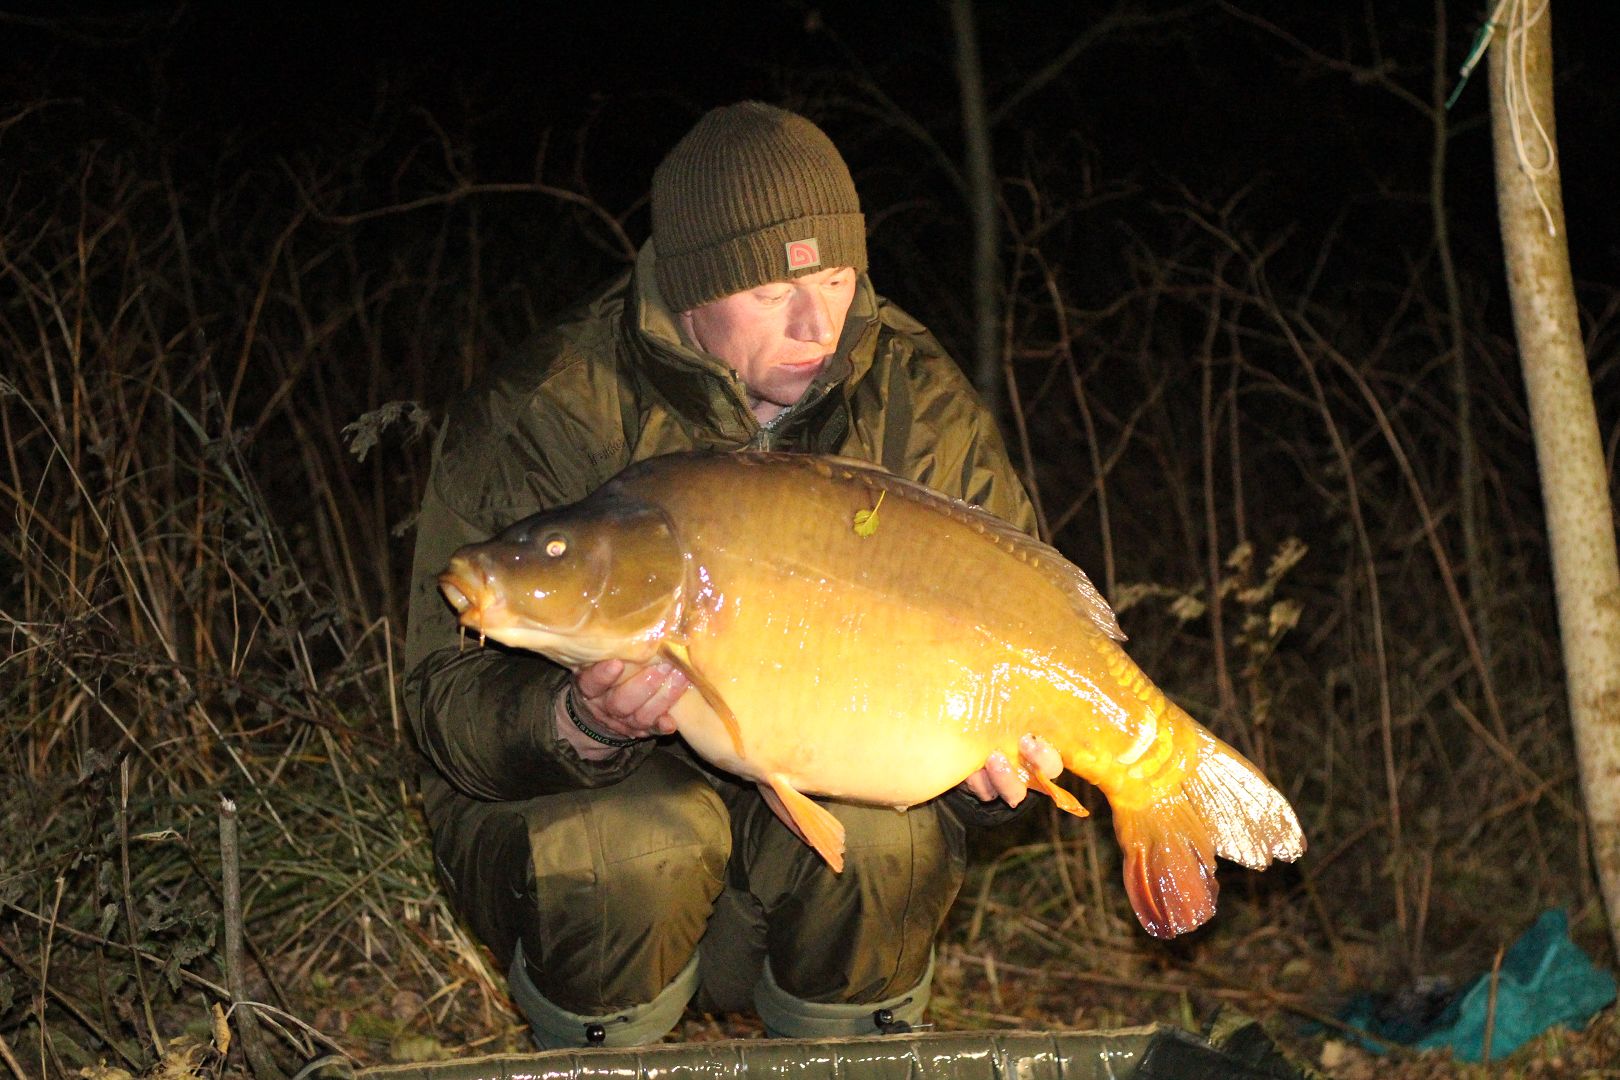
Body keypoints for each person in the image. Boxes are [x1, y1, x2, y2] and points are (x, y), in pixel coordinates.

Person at [403, 101, 1062, 1048]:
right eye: (767, 294)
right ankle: (605, 1052)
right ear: (689, 287)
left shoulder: (913, 395)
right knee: (631, 849)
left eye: (837, 279)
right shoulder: (551, 407)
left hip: (794, 844)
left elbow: (1010, 632)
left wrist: (984, 772)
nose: (816, 322)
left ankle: (843, 1058)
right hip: (605, 851)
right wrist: (575, 722)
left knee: (888, 845)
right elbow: (438, 701)